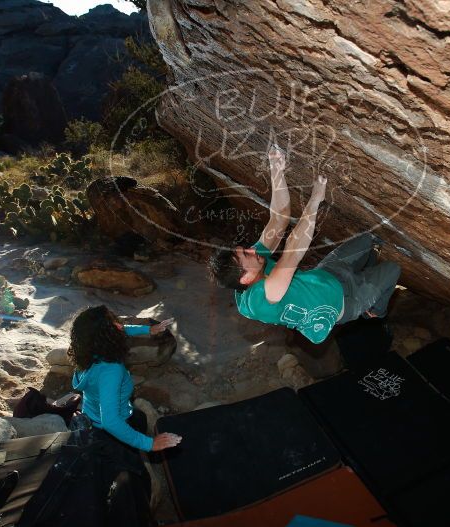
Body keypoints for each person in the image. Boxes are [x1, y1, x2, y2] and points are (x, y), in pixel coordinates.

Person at [209, 146, 402, 344]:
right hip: (342, 303)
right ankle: (375, 311)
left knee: (368, 240)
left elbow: (279, 219)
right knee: (393, 270)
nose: (251, 249)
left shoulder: (251, 268)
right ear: (246, 277)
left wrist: (276, 170)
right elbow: (294, 250)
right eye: (246, 255)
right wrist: (315, 199)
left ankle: (367, 273)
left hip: (326, 276)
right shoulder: (262, 299)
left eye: (245, 250)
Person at [68, 306, 181, 452]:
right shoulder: (111, 371)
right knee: (136, 468)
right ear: (105, 337)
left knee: (140, 418)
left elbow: (118, 330)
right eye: (112, 324)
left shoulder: (86, 352)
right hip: (109, 431)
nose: (120, 325)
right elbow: (110, 422)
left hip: (92, 413)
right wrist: (150, 444)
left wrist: (149, 330)